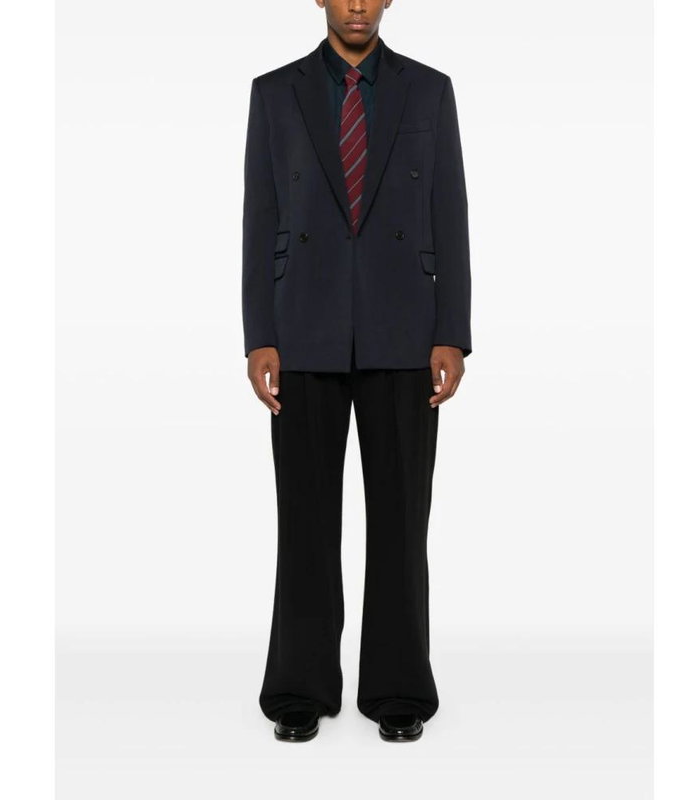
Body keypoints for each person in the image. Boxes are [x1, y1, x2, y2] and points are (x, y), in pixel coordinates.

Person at [241, 0, 472, 743]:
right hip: (301, 329)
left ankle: (399, 686)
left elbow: (449, 211)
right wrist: (259, 335)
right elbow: (260, 217)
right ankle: (299, 687)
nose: (357, 4)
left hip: (404, 328)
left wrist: (452, 332)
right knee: (305, 521)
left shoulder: (429, 90)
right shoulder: (273, 93)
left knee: (402, 521)